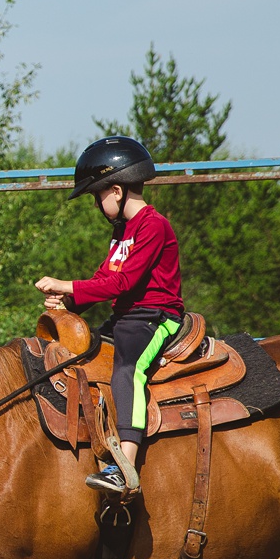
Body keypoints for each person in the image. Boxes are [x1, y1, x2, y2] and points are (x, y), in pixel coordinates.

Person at [33, 136, 184, 497]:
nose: (98, 204)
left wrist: (65, 283)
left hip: (156, 318)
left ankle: (125, 467)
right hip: (125, 317)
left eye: (97, 195)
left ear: (116, 190)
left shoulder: (153, 225)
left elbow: (124, 281)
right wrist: (67, 305)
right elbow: (105, 278)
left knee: (127, 368)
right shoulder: (122, 232)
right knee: (81, 356)